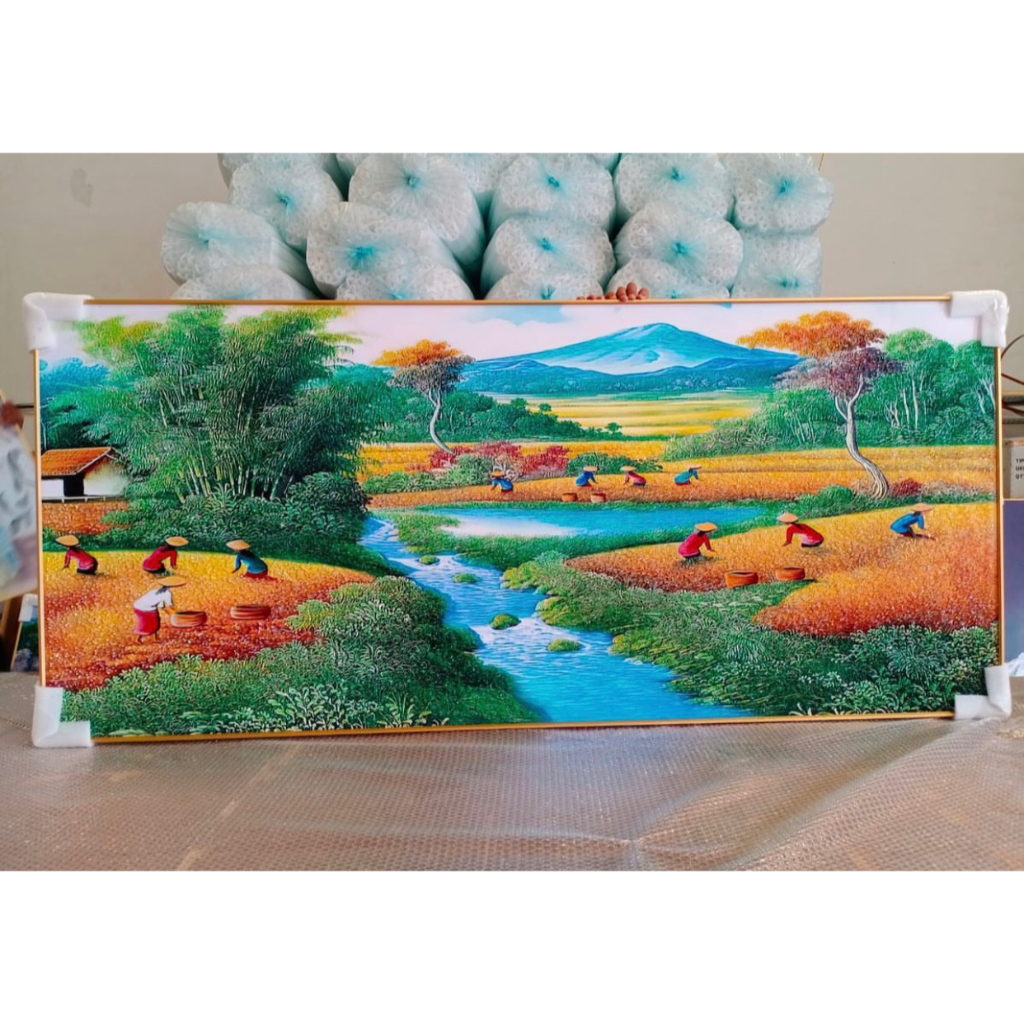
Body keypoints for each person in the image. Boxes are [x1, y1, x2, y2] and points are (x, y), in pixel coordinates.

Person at [132, 575, 186, 642]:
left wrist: (169, 612)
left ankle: (154, 637)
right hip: (145, 608)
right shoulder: (167, 593)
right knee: (148, 623)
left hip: (138, 605)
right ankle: (140, 638)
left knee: (154, 620)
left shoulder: (157, 590)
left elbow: (161, 605)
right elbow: (170, 605)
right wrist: (176, 612)